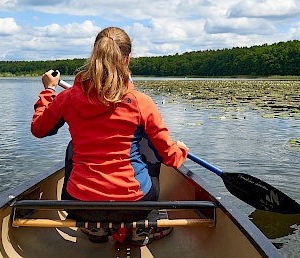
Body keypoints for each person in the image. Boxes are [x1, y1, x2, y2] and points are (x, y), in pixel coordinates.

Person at [31, 26, 189, 244]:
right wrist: (181, 149)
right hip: (134, 207)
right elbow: (171, 157)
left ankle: (96, 229)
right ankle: (139, 230)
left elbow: (39, 128)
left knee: (72, 147)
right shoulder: (141, 103)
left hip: (79, 205)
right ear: (127, 59)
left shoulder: (67, 98)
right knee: (148, 147)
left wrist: (49, 91)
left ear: (94, 54)